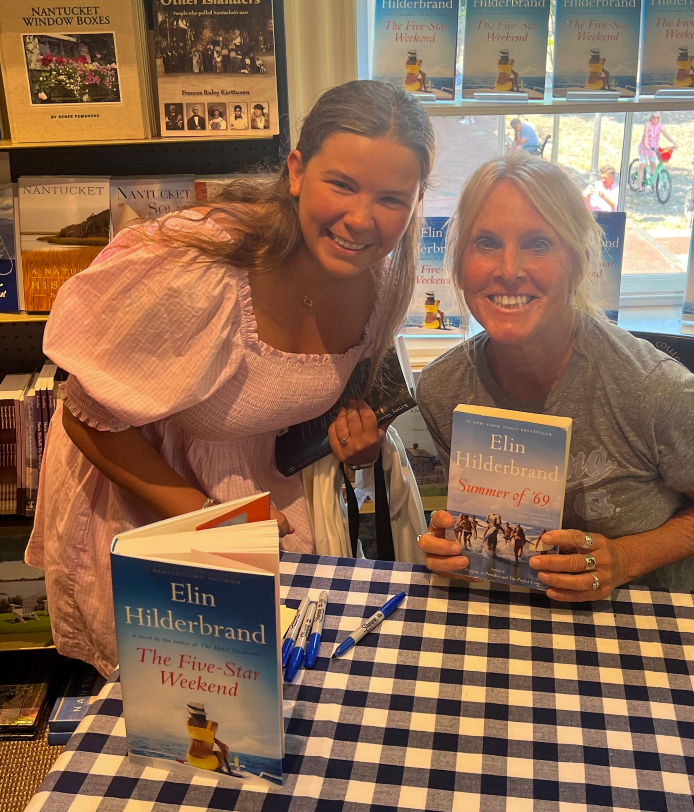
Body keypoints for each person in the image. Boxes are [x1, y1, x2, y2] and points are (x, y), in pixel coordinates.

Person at [26, 80, 436, 674]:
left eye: (393, 198)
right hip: (150, 489)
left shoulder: (387, 283)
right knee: (178, 693)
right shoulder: (200, 272)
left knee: (280, 681)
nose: (362, 219)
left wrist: (357, 444)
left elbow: (324, 398)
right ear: (296, 172)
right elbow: (85, 416)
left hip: (263, 490)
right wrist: (211, 520)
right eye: (341, 184)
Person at [416, 153, 694, 601]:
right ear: (460, 263)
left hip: (665, 620)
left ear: (578, 263)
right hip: (530, 615)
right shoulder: (445, 392)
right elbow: (496, 541)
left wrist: (625, 558)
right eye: (485, 242)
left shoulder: (651, 388)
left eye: (538, 243)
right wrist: (460, 553)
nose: (508, 269)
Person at [636, 112, 676, 186]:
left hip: (653, 148)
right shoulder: (647, 124)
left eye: (657, 118)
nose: (655, 119)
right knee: (643, 165)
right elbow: (646, 136)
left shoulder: (660, 126)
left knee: (654, 166)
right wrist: (647, 144)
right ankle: (639, 185)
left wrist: (674, 142)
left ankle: (654, 186)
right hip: (645, 147)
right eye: (654, 117)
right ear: (651, 117)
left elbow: (667, 135)